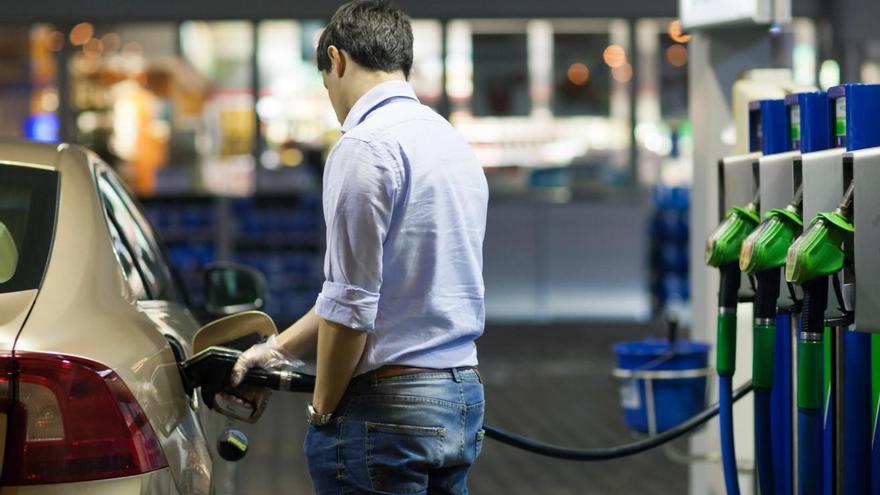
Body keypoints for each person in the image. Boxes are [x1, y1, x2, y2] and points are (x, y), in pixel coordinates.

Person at [229, 1, 490, 493]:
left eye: (326, 81)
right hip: (459, 396)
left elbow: (352, 308)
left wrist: (323, 411)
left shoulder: (364, 146)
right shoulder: (450, 142)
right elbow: (367, 292)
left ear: (338, 59)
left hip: (386, 410)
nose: (331, 97)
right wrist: (276, 349)